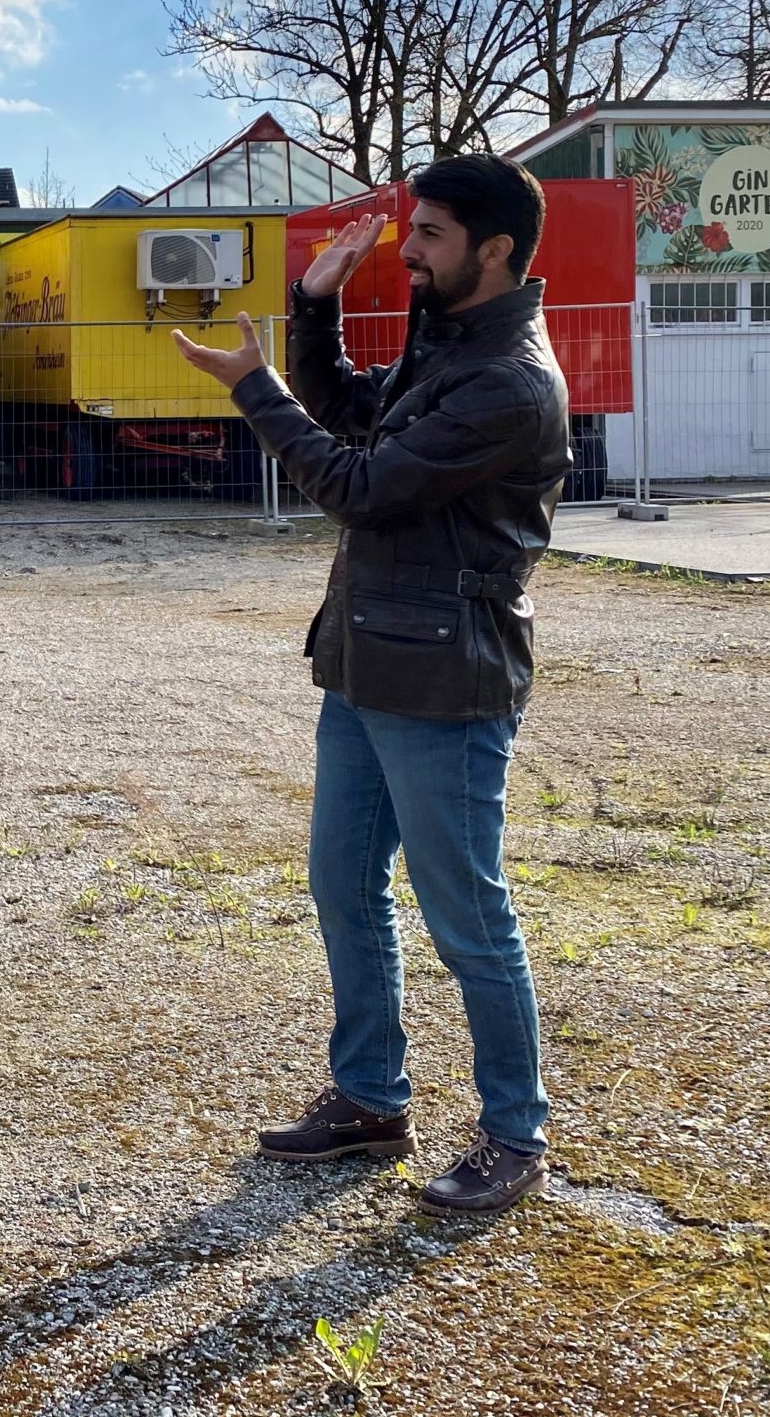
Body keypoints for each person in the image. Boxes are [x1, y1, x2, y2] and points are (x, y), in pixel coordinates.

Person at [173, 156, 569, 1216]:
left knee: (466, 917)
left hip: (446, 681)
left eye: (431, 234)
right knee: (341, 889)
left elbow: (355, 486)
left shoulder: (506, 383)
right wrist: (314, 306)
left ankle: (512, 1133)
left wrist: (250, 390)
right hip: (364, 662)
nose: (411, 249)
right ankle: (368, 1097)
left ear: (496, 250)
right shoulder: (448, 349)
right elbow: (351, 414)